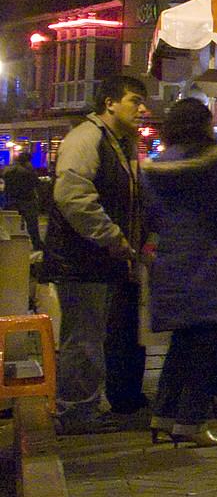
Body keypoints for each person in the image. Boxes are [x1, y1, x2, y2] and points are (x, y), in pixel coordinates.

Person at [140, 99, 217, 447]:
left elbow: (151, 218)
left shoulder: (156, 168)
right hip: (212, 266)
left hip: (172, 265)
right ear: (205, 126)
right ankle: (191, 422)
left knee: (182, 344)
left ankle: (163, 416)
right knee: (206, 349)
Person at [47, 73, 150, 434]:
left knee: (91, 338)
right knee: (83, 339)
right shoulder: (87, 139)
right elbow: (74, 197)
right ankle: (75, 413)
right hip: (82, 261)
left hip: (100, 261)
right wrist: (112, 237)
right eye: (135, 101)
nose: (142, 109)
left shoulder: (117, 142)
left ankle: (85, 406)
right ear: (110, 103)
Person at [5, 159, 45, 252]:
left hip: (12, 200)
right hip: (27, 200)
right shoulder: (29, 173)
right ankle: (37, 244)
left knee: (11, 224)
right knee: (32, 224)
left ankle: (7, 245)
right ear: (27, 162)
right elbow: (37, 184)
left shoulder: (8, 172)